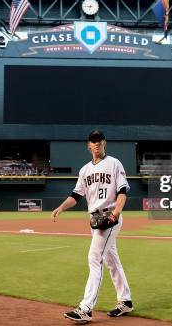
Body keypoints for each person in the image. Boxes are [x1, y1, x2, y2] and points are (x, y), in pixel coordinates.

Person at [52, 130, 133, 324]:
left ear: (104, 143)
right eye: (93, 141)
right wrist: (61, 208)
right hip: (95, 220)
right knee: (111, 260)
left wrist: (116, 213)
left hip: (110, 218)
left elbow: (122, 192)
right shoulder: (84, 170)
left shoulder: (114, 163)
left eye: (99, 140)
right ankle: (126, 300)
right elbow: (76, 196)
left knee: (94, 257)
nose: (96, 143)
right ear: (88, 145)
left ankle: (86, 308)